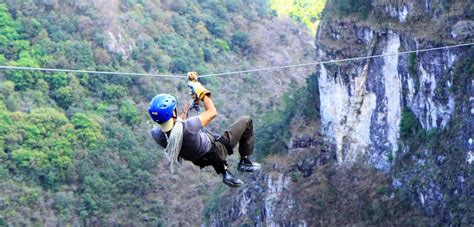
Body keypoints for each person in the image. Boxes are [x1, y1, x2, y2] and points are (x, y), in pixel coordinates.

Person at [149, 72, 261, 187]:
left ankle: (225, 172)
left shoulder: (158, 135)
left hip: (199, 159)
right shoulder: (189, 127)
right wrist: (199, 89)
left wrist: (192, 101)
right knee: (246, 120)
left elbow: (176, 125)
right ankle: (244, 161)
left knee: (210, 146)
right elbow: (212, 112)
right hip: (215, 150)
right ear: (173, 113)